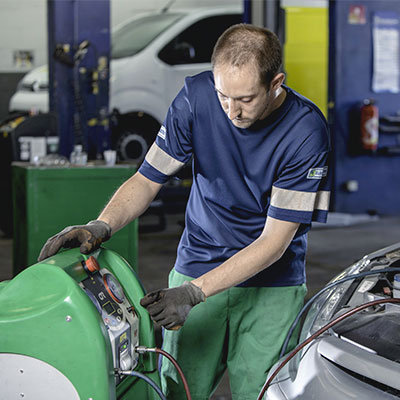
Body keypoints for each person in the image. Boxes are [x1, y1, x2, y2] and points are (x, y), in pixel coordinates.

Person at [38, 24, 331, 400]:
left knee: (262, 393)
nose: (232, 111)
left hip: (272, 285)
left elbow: (274, 242)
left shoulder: (306, 131)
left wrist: (193, 294)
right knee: (177, 391)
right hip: (200, 262)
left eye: (245, 98)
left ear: (276, 83)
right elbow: (147, 180)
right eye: (223, 95)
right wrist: (101, 225)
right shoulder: (196, 97)